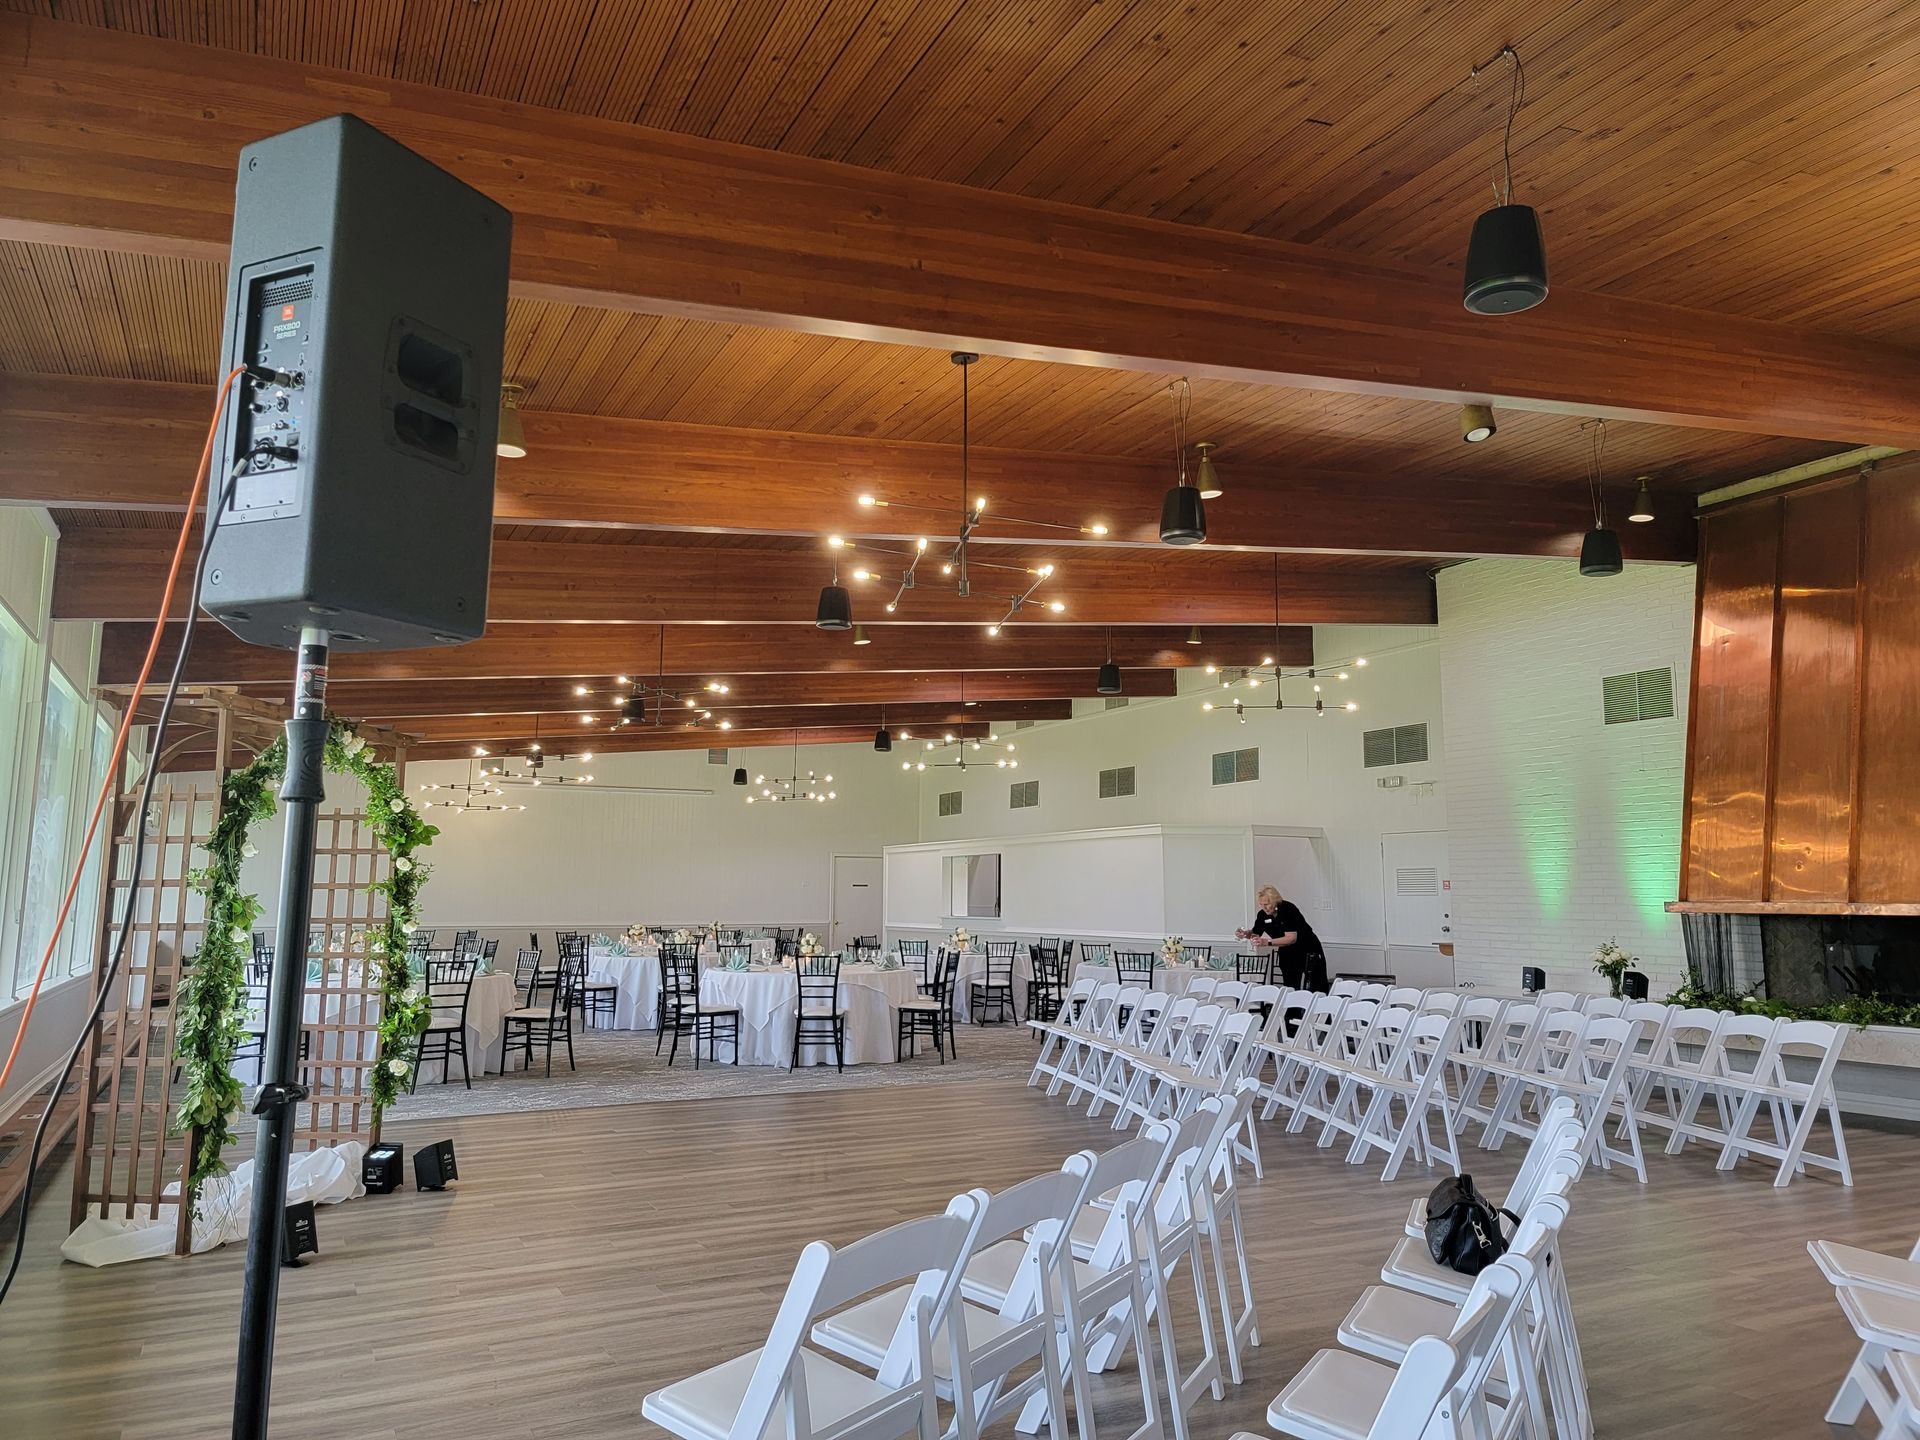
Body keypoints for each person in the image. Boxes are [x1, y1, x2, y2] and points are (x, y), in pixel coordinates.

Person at [1237, 884, 1328, 992]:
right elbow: (1255, 933)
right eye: (1261, 904)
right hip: (1287, 951)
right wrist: (1245, 934)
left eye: (1267, 904)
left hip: (1307, 948)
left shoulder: (1288, 909)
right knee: (1290, 986)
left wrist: (1266, 942)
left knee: (1316, 984)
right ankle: (1292, 1002)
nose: (1264, 907)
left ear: (1274, 901)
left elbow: (1291, 938)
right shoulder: (1262, 915)